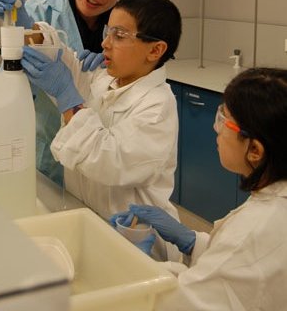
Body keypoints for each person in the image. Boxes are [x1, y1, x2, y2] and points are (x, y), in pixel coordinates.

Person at [21, 0, 182, 261]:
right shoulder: (104, 79)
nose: (105, 43)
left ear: (155, 50)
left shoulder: (157, 106)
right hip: (90, 221)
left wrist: (68, 96)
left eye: (119, 35)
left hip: (135, 239)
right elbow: (63, 62)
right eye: (108, 31)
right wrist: (28, 27)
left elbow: (110, 161)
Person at [111, 67, 287, 310]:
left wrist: (140, 268)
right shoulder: (275, 199)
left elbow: (184, 302)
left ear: (255, 150)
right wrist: (193, 242)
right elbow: (240, 272)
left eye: (225, 120)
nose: (216, 128)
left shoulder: (255, 231)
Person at [0, 0, 143, 186]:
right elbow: (9, 86)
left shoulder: (131, 27)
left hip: (100, 162)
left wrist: (105, 70)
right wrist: (17, 24)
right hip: (44, 156)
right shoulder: (39, 11)